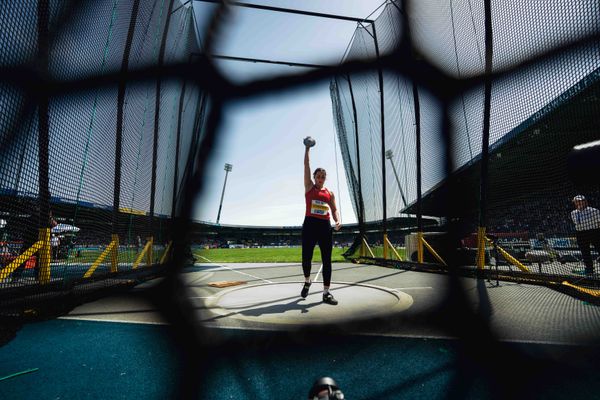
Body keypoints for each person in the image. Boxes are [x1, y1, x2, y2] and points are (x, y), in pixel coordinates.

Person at [301, 137, 341, 305]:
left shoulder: (329, 193)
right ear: (314, 177)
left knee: (327, 260)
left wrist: (337, 221)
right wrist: (308, 149)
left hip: (325, 227)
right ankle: (308, 281)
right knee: (306, 258)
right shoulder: (309, 187)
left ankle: (326, 292)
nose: (321, 178)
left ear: (325, 178)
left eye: (323, 176)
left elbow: (334, 209)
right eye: (318, 176)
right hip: (310, 225)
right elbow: (306, 166)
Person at [570, 195, 600, 275]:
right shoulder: (573, 213)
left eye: (580, 201)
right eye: (577, 201)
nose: (579, 203)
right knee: (585, 253)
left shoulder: (594, 211)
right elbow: (577, 224)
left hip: (594, 232)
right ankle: (589, 270)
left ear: (584, 201)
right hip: (581, 234)